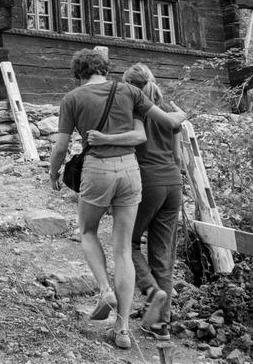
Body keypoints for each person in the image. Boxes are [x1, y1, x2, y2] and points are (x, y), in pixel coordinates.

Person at [49, 49, 186, 350]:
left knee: (87, 231)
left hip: (98, 168)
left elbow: (60, 147)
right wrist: (183, 114)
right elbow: (165, 122)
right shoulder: (128, 91)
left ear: (78, 73)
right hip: (131, 170)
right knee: (125, 248)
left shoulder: (72, 99)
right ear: (105, 69)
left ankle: (104, 290)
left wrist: (53, 172)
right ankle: (123, 329)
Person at [122, 62, 186, 341]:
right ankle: (161, 325)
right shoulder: (170, 116)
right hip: (174, 184)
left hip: (148, 182)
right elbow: (178, 158)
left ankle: (151, 290)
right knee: (163, 256)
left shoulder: (133, 115)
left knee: (127, 242)